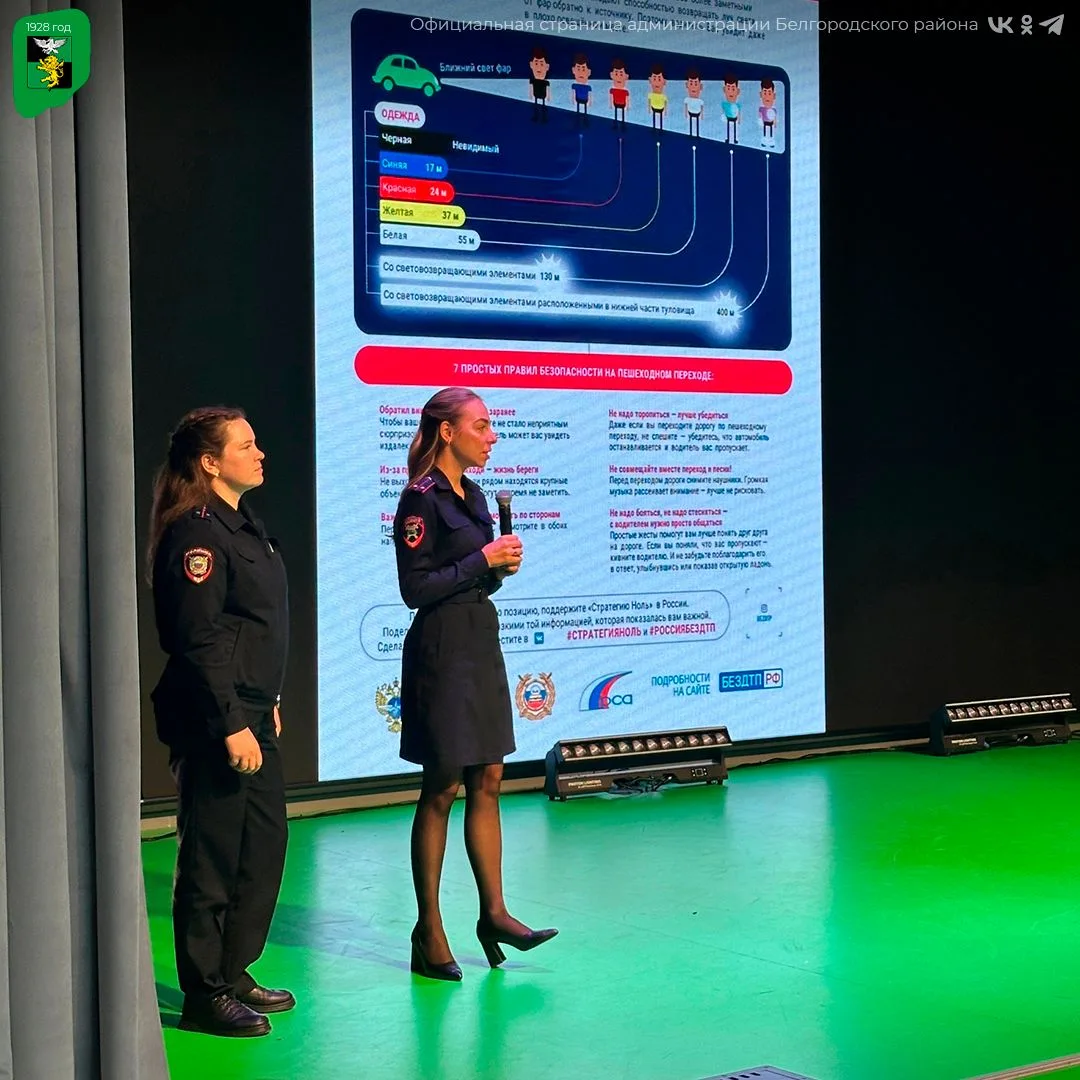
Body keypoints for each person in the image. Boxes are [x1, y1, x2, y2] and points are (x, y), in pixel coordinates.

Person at [393, 388, 558, 980]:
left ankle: (494, 914)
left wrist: (497, 569)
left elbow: (475, 579)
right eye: (482, 426)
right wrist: (481, 561)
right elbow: (415, 589)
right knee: (441, 786)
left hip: (479, 640)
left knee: (488, 776)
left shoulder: (477, 495)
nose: (492, 437)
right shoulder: (421, 499)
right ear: (447, 432)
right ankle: (429, 929)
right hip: (440, 648)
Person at [147, 405, 293, 1037]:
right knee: (212, 857)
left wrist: (267, 698)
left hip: (252, 709)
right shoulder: (197, 534)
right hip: (214, 718)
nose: (260, 453)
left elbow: (250, 628)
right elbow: (197, 638)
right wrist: (232, 722)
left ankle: (232, 971)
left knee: (262, 848)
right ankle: (205, 995)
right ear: (210, 462)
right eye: (246, 445)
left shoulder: (243, 525)